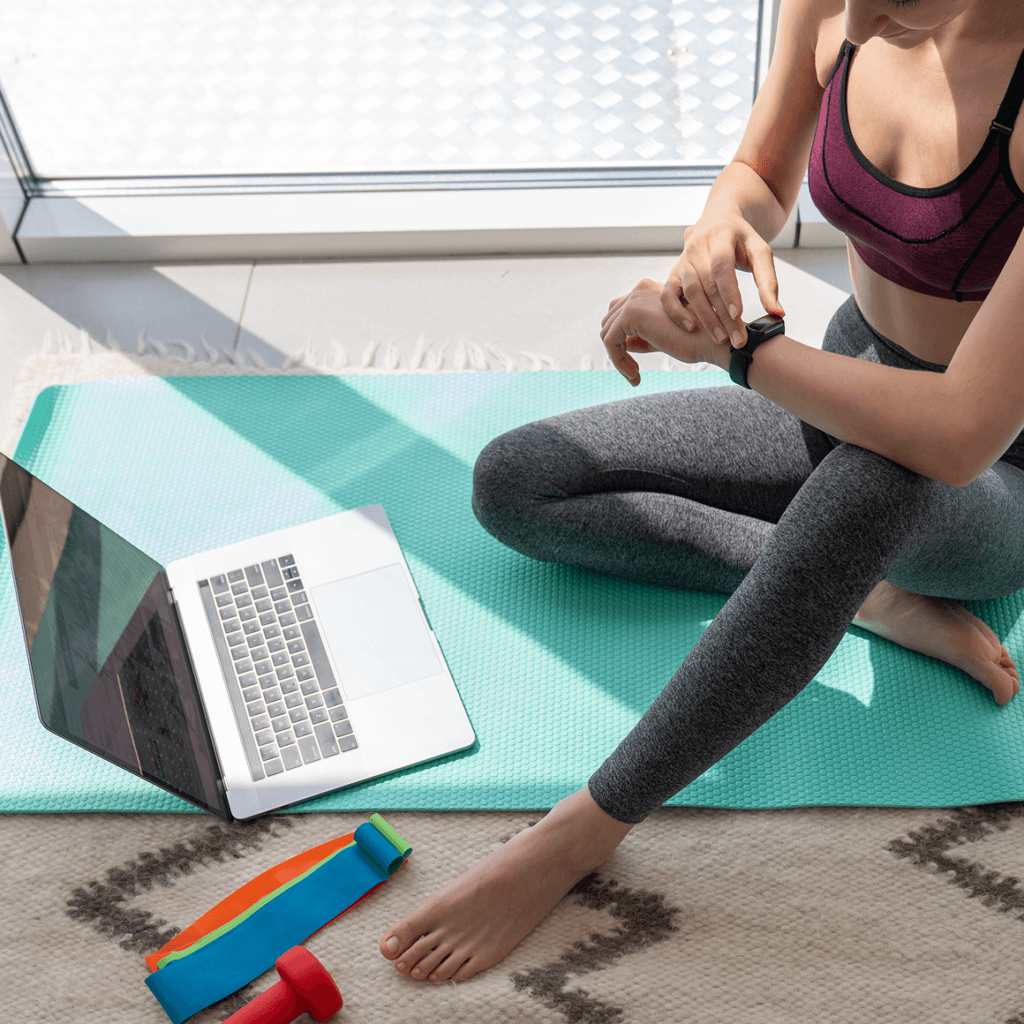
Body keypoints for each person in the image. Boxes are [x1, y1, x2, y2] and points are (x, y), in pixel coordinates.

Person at [379, 0, 1024, 983]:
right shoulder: (839, 5)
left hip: (991, 476)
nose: (857, 19)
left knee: (869, 483)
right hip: (847, 384)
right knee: (522, 481)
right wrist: (718, 229)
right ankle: (868, 595)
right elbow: (760, 172)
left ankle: (583, 827)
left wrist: (740, 353)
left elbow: (957, 432)